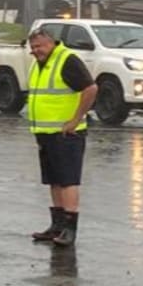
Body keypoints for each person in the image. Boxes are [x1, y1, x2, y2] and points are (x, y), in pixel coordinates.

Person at [25, 28, 97, 246]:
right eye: (33, 47)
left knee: (68, 181)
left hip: (66, 133)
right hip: (45, 132)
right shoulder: (38, 64)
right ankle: (56, 226)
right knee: (54, 180)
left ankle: (69, 228)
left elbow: (91, 88)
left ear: (52, 43)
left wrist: (76, 119)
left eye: (40, 46)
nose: (37, 51)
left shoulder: (66, 60)